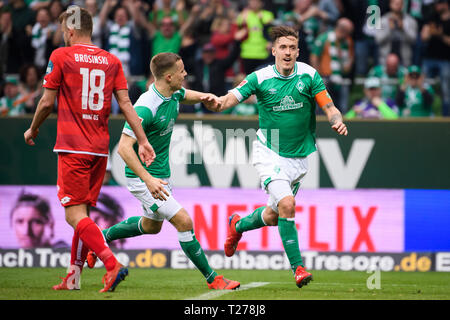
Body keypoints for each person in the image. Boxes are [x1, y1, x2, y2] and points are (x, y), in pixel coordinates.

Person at [23, 6, 155, 293]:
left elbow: (46, 103)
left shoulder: (61, 56)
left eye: (63, 31)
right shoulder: (111, 60)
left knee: (74, 216)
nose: (63, 36)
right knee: (82, 216)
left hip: (73, 147)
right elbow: (127, 105)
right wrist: (143, 140)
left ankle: (111, 264)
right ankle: (73, 277)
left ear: (70, 30)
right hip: (99, 149)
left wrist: (33, 128)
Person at [86, 52, 241, 291]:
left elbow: (184, 94)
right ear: (168, 77)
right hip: (143, 178)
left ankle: (100, 238)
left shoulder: (171, 92)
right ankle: (214, 279)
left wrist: (205, 97)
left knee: (151, 226)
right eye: (181, 71)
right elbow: (124, 149)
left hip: (160, 175)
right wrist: (147, 180)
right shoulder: (146, 107)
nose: (186, 74)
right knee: (184, 221)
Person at [217, 25, 348, 288]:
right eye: (283, 47)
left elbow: (329, 106)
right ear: (273, 50)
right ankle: (298, 268)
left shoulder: (309, 75)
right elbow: (229, 99)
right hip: (269, 152)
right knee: (287, 204)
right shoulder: (260, 78)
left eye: (292, 48)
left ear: (298, 51)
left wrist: (336, 120)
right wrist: (213, 101)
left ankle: (238, 225)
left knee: (274, 215)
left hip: (299, 157)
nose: (287, 52)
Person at [310, 17, 354, 113]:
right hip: (325, 76)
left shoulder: (348, 42)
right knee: (323, 104)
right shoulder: (324, 38)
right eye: (348, 32)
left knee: (343, 101)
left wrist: (343, 61)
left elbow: (349, 61)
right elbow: (314, 57)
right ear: (342, 30)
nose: (348, 35)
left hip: (340, 77)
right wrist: (318, 76)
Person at [420, 0, 450, 116]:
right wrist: (429, 32)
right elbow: (423, 37)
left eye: (439, 3)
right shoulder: (432, 17)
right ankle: (425, 112)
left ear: (446, 4)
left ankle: (446, 117)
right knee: (423, 85)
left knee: (446, 90)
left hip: (446, 60)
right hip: (430, 58)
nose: (436, 6)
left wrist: (440, 35)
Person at [375, 0, 418, 67]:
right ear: (390, 4)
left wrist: (403, 29)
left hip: (404, 60)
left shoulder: (410, 21)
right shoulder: (383, 20)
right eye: (396, 3)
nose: (398, 6)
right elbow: (378, 40)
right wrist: (389, 30)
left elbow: (413, 40)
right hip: (385, 60)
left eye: (400, 4)